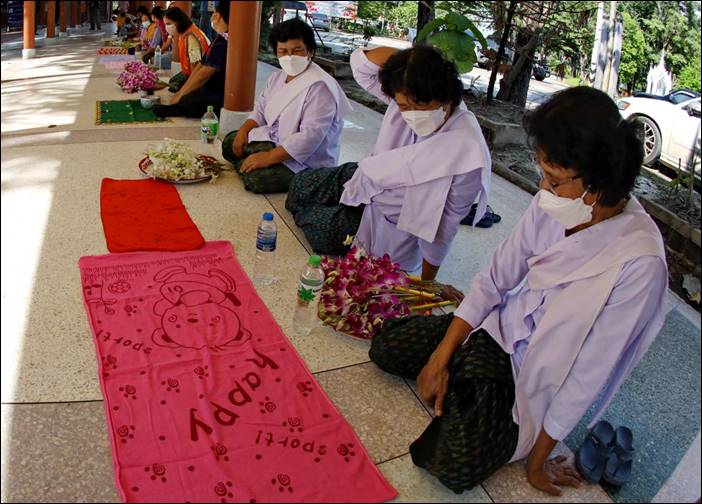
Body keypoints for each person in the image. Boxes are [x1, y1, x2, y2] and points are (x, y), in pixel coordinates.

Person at [368, 86, 668, 495]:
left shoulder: (639, 263)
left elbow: (587, 374)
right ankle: (463, 381)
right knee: (387, 348)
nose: (543, 187)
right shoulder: (558, 201)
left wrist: (539, 461)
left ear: (597, 186)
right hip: (494, 332)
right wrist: (442, 355)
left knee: (452, 462)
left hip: (526, 378)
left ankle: (472, 392)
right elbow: (497, 276)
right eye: (543, 173)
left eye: (556, 179)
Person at [285, 45, 490, 280]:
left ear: (445, 97)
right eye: (403, 106)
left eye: (420, 106)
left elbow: (446, 224)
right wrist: (412, 60)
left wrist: (427, 282)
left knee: (318, 227)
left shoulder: (467, 152)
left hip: (393, 224)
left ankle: (331, 212)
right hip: (366, 179)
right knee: (300, 186)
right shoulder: (402, 95)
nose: (411, 114)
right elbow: (362, 66)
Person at [221, 18, 352, 194]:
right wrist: (245, 129)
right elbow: (260, 110)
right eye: (283, 51)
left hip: (306, 160)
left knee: (256, 180)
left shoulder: (321, 87)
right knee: (230, 141)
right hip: (275, 141)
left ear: (310, 52)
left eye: (296, 50)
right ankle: (248, 163)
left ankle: (250, 165)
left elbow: (309, 137)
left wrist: (267, 158)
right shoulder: (277, 77)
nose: (289, 57)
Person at [153, 1, 230, 118]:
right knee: (181, 87)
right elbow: (201, 66)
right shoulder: (219, 38)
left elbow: (203, 74)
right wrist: (181, 92)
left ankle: (178, 109)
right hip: (208, 85)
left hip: (222, 94)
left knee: (187, 100)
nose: (212, 17)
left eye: (169, 24)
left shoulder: (221, 41)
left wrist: (179, 96)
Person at [160, 6, 210, 93]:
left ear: (178, 22)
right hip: (189, 73)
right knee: (173, 83)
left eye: (168, 24)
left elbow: (196, 71)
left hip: (202, 79)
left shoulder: (191, 37)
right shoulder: (184, 33)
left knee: (178, 92)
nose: (166, 28)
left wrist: (183, 92)